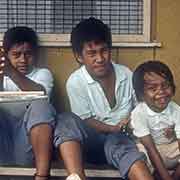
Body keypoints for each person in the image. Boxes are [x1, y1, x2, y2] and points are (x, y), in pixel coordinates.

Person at [63, 17, 154, 180]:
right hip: (90, 146)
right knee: (65, 120)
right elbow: (85, 120)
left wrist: (131, 120)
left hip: (121, 143)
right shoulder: (75, 81)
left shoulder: (126, 74)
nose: (100, 58)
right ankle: (76, 176)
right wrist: (113, 128)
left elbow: (140, 107)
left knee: (122, 145)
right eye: (92, 53)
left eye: (104, 50)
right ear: (79, 56)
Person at [0, 26, 84, 180]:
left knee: (41, 105)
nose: (23, 60)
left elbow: (41, 94)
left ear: (36, 54)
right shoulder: (2, 75)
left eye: (28, 54)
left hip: (27, 146)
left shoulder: (42, 74)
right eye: (16, 55)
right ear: (6, 55)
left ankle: (42, 176)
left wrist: (11, 71)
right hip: (3, 144)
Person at [130, 61, 180, 180]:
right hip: (150, 153)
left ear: (172, 88)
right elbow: (150, 149)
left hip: (171, 152)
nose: (161, 92)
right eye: (153, 88)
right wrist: (166, 177)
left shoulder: (177, 110)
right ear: (141, 95)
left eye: (165, 85)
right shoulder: (138, 113)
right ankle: (156, 174)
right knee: (137, 152)